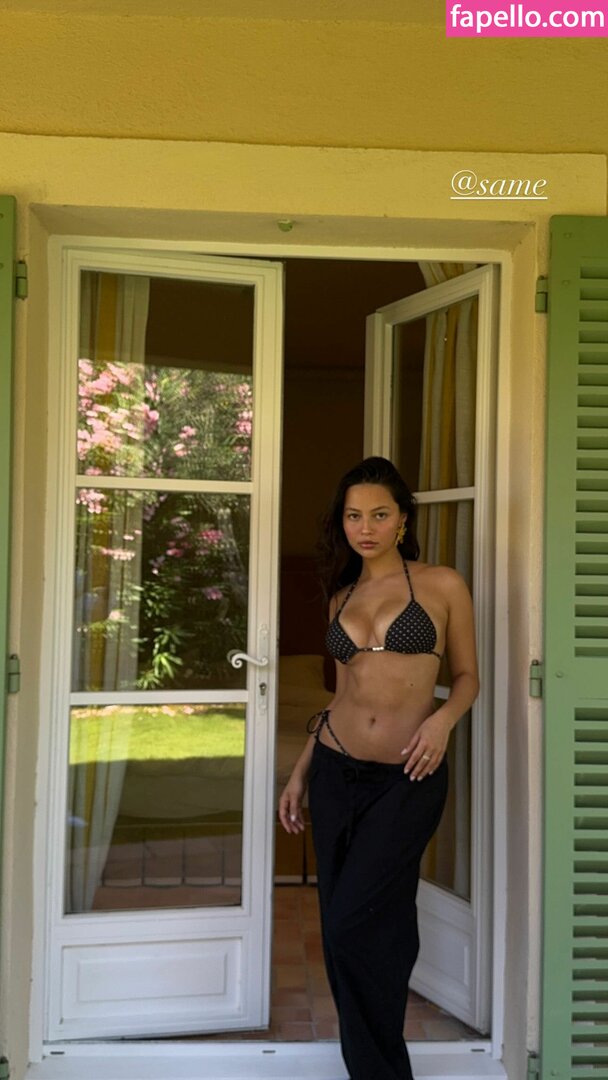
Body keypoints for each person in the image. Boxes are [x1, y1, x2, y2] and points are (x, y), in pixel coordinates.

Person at [278, 456, 479, 1080]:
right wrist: (301, 770)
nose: (365, 528)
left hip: (407, 777)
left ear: (402, 521)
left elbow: (467, 676)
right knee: (360, 925)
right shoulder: (342, 596)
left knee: (352, 922)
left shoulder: (442, 585)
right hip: (336, 771)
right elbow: (341, 695)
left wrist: (442, 722)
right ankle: (377, 1068)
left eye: (379, 515)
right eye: (353, 516)